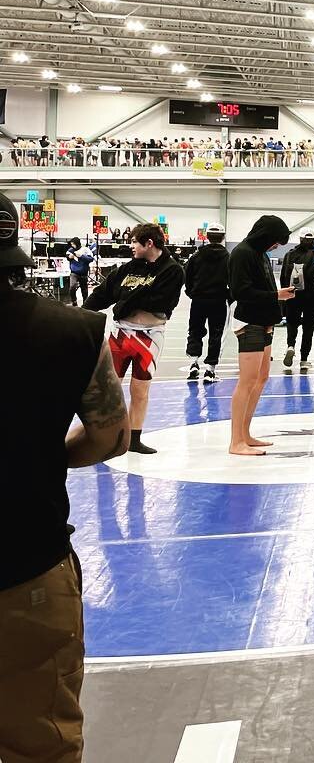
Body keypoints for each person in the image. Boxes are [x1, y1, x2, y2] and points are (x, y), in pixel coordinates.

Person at [0, 192, 130, 763]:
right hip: (26, 566)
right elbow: (110, 435)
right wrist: (41, 456)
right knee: (41, 745)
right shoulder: (72, 332)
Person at [84, 222, 185, 455]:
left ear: (149, 243)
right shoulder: (128, 268)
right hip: (120, 334)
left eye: (134, 242)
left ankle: (134, 438)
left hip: (149, 338)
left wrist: (125, 301)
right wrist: (83, 314)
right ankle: (104, 437)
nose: (130, 246)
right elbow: (104, 292)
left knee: (140, 390)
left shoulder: (172, 270)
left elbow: (161, 302)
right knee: (109, 388)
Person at [227, 215, 293, 456]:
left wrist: (278, 297)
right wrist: (277, 296)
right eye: (275, 241)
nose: (276, 246)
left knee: (261, 377)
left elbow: (263, 287)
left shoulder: (259, 254)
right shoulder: (242, 253)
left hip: (264, 321)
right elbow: (240, 291)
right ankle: (236, 441)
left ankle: (245, 434)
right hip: (250, 322)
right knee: (247, 381)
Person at [184, 224, 230, 384]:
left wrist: (192, 293)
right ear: (223, 237)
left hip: (198, 300)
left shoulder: (196, 257)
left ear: (207, 237)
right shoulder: (228, 258)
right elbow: (233, 281)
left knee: (195, 331)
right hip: (218, 301)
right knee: (216, 334)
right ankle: (210, 370)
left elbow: (187, 277)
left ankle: (193, 363)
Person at [281, 231, 314, 374]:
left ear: (301, 239)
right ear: (313, 240)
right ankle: (303, 359)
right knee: (308, 329)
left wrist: (287, 294)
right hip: (312, 298)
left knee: (292, 323)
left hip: (292, 296)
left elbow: (284, 276)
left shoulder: (289, 255)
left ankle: (290, 345)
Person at [64, 236, 93, 304]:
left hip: (83, 273)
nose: (72, 245)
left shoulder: (86, 250)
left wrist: (81, 256)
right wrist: (69, 257)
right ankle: (74, 301)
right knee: (72, 287)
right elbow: (67, 256)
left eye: (73, 244)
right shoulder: (70, 250)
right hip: (74, 272)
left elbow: (90, 259)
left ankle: (85, 303)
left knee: (84, 290)